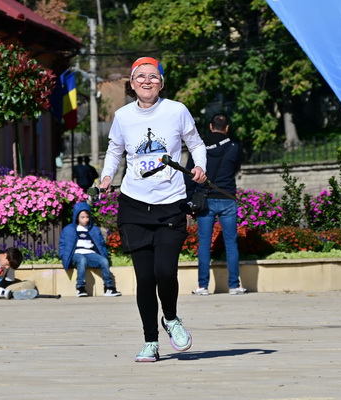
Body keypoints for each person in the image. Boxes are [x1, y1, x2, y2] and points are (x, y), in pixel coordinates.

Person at [98, 56, 207, 362]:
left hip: (171, 204)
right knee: (145, 278)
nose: (147, 81)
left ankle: (170, 318)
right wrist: (106, 176)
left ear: (162, 83)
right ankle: (150, 342)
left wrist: (199, 166)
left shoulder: (176, 111)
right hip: (133, 206)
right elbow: (115, 150)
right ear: (132, 84)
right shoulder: (123, 116)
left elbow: (196, 144)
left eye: (153, 77)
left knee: (165, 272)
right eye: (141, 77)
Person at [185, 113, 246, 295]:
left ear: (211, 126)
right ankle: (234, 285)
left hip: (205, 200)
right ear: (227, 128)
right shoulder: (234, 147)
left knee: (204, 243)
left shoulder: (199, 147)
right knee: (231, 243)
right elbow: (236, 169)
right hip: (227, 198)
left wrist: (188, 201)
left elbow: (190, 175)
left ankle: (202, 286)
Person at [59, 202, 121, 297]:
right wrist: (63, 256)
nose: (85, 220)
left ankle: (109, 288)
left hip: (90, 253)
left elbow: (101, 244)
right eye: (82, 217)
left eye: (87, 217)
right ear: (76, 217)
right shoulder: (69, 229)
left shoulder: (94, 229)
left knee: (104, 261)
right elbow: (63, 245)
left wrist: (104, 255)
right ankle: (80, 288)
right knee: (81, 260)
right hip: (76, 254)